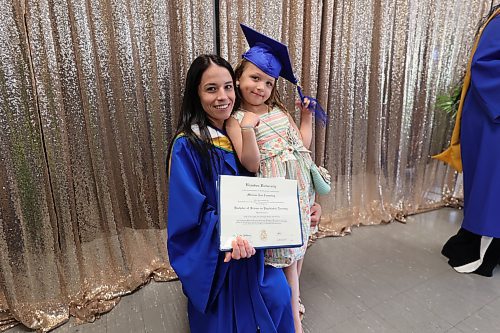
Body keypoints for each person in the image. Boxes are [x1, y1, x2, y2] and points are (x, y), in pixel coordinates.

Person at [167, 54, 294, 332]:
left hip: (255, 248)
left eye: (228, 87)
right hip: (219, 256)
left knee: (279, 296)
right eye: (211, 89)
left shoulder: (243, 131)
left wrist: (298, 210)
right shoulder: (188, 144)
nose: (222, 96)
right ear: (196, 94)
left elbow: (271, 179)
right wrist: (228, 235)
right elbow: (189, 216)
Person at [226, 24, 324, 332]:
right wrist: (247, 129)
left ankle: (294, 297)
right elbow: (250, 163)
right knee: (285, 255)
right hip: (276, 193)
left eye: (268, 83)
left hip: (300, 188)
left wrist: (306, 116)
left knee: (300, 247)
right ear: (238, 78)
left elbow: (302, 145)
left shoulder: (279, 112)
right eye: (255, 78)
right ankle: (292, 315)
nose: (261, 87)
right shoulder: (236, 119)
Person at [435, 6, 500, 277]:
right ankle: (481, 249)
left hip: (489, 113)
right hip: (492, 115)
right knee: (491, 187)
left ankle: (475, 240)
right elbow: (486, 65)